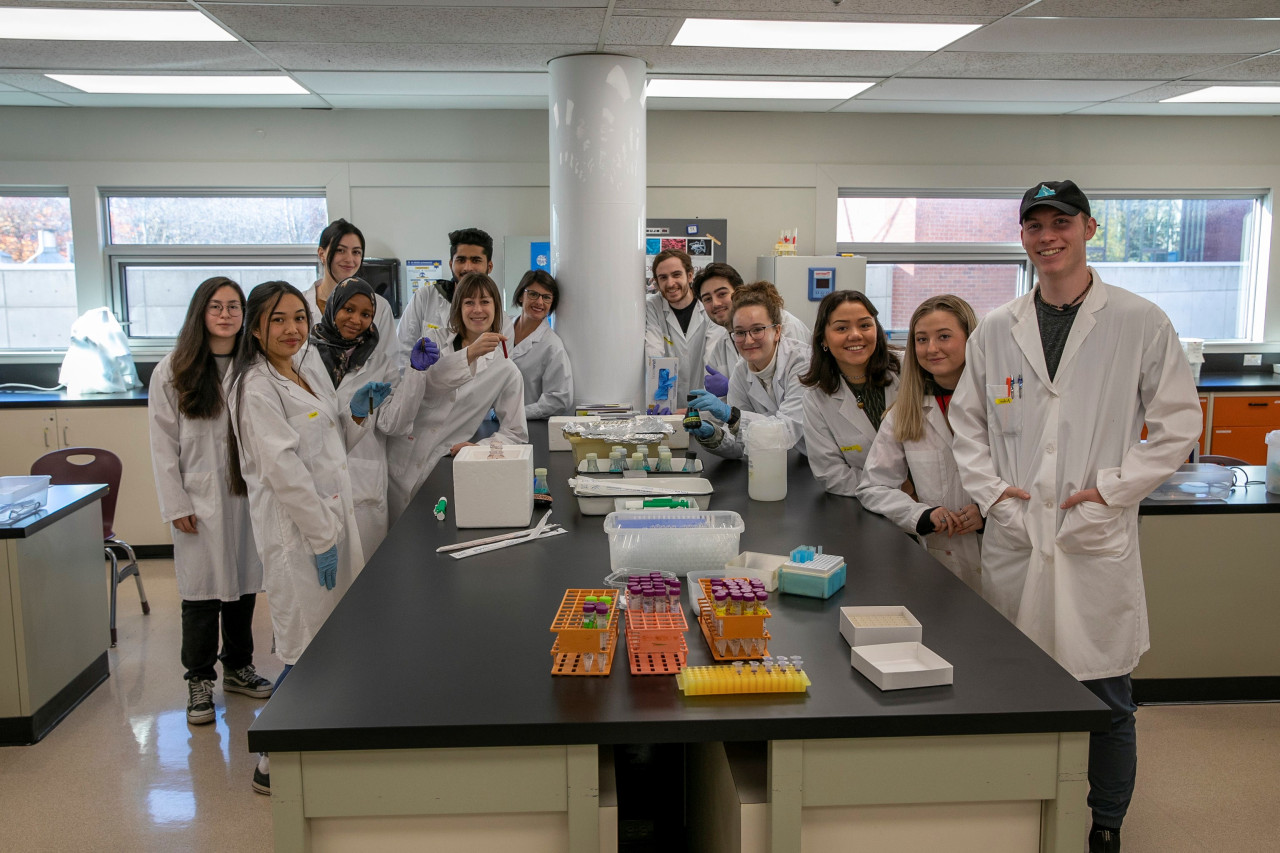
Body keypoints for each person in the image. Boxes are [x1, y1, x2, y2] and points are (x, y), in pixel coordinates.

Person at [949, 180, 1202, 853]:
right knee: (1013, 686)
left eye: (1061, 222)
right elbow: (968, 424)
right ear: (1023, 237)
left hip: (1092, 535)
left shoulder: (1138, 320)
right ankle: (1020, 815)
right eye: (1034, 225)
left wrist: (1116, 487)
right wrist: (996, 494)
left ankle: (1106, 824)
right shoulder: (998, 328)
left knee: (1107, 696)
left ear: (1090, 228)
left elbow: (1178, 422)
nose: (1047, 236)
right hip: (1018, 534)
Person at [226, 280, 389, 795]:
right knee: (305, 646)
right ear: (256, 327)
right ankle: (271, 761)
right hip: (298, 533)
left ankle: (321, 741)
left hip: (331, 518)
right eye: (278, 320)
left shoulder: (302, 368)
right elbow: (284, 471)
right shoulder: (256, 387)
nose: (293, 328)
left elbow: (331, 442)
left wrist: (358, 411)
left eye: (299, 317)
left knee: (330, 641)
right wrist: (321, 538)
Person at [148, 276, 273, 727]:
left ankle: (238, 667)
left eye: (234, 307)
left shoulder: (255, 367)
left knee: (242, 585)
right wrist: (175, 502)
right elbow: (162, 445)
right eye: (217, 307)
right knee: (200, 593)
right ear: (201, 313)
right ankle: (198, 679)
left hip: (245, 493)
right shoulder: (174, 369)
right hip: (198, 499)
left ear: (245, 316)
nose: (226, 315)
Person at [306, 277, 441, 560]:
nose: (356, 319)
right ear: (333, 308)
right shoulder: (303, 359)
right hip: (315, 480)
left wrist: (416, 372)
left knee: (366, 579)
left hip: (363, 482)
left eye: (366, 314)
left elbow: (392, 424)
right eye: (348, 309)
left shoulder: (379, 363)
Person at [855, 295, 982, 592]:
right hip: (942, 556)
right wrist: (921, 515)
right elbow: (873, 487)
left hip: (1001, 550)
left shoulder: (1001, 405)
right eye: (921, 339)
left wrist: (988, 513)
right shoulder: (906, 412)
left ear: (971, 339)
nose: (931, 348)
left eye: (944, 336)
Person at [387, 272, 528, 518]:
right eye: (469, 302)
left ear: (496, 307)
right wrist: (469, 353)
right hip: (401, 452)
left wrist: (480, 448)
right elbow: (428, 388)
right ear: (458, 307)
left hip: (442, 464)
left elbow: (515, 433)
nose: (477, 310)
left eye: (485, 302)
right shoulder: (434, 341)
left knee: (426, 532)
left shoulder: (505, 369)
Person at [684, 281, 809, 458]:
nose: (748, 340)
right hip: (785, 461)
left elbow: (786, 431)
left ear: (778, 331)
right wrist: (714, 435)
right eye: (740, 332)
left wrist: (733, 416)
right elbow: (741, 444)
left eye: (757, 330)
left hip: (823, 460)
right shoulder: (742, 372)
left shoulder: (802, 364)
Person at [800, 290, 901, 496]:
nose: (855, 335)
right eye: (842, 328)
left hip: (935, 503)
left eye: (865, 325)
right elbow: (831, 473)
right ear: (824, 340)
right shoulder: (817, 398)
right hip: (869, 506)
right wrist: (895, 489)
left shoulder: (908, 370)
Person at [695, 262, 811, 396]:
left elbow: (794, 400)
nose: (715, 303)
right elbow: (720, 407)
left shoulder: (786, 326)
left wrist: (733, 389)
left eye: (722, 294)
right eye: (707, 299)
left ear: (738, 292)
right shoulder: (721, 346)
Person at [397, 227, 511, 355]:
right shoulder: (425, 297)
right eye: (461, 260)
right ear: (451, 264)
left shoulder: (501, 319)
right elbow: (403, 349)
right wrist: (414, 372)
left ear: (489, 266)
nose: (467, 267)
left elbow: (502, 365)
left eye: (476, 260)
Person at [302, 219, 398, 364]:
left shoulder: (380, 307)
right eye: (340, 250)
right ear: (322, 254)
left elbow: (390, 363)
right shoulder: (301, 304)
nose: (349, 259)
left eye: (356, 252)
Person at [644, 248, 709, 404]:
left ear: (690, 275)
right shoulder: (653, 306)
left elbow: (711, 356)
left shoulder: (707, 305)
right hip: (668, 403)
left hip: (705, 402)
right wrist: (661, 400)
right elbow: (653, 350)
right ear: (656, 282)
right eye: (663, 277)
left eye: (676, 275)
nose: (670, 283)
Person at [509, 269, 573, 420]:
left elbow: (559, 399)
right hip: (487, 421)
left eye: (546, 297)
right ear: (520, 296)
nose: (539, 302)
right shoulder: (500, 328)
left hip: (528, 426)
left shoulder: (552, 345)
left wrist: (516, 415)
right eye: (533, 294)